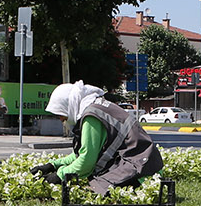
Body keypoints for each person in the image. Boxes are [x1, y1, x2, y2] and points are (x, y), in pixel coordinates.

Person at [32, 81, 163, 195]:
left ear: (68, 105)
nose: (61, 119)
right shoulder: (94, 107)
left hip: (141, 171)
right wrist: (52, 165)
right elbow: (82, 153)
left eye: (60, 114)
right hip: (145, 166)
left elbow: (86, 162)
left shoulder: (91, 116)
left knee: (97, 187)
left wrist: (58, 176)